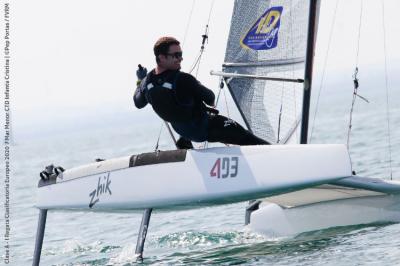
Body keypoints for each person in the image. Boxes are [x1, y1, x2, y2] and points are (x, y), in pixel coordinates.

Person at [134, 36, 269, 149]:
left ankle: (186, 147)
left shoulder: (147, 82)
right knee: (249, 139)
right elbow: (210, 97)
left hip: (184, 132)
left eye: (181, 54)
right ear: (161, 57)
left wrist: (140, 80)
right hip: (207, 128)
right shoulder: (183, 79)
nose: (180, 58)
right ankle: (280, 159)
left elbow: (138, 102)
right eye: (176, 55)